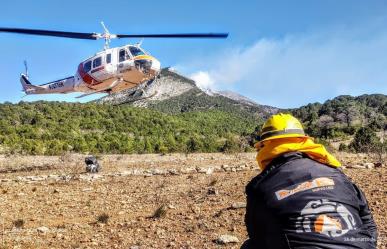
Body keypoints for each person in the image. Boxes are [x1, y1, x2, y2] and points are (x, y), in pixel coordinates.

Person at [242, 113, 378, 249]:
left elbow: (257, 235)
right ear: (303, 140)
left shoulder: (260, 187)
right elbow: (368, 222)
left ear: (265, 146)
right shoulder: (338, 174)